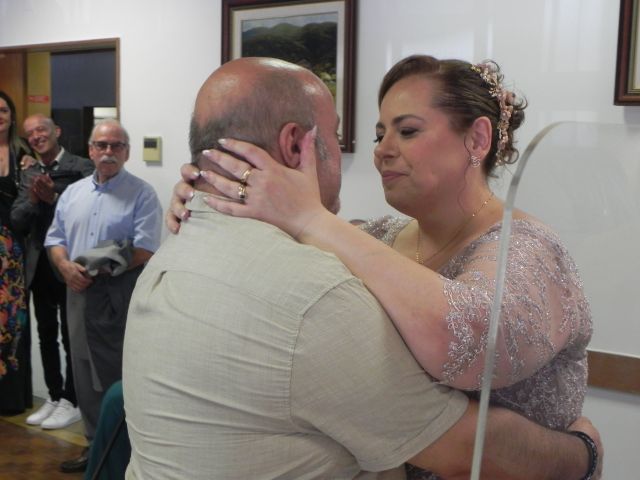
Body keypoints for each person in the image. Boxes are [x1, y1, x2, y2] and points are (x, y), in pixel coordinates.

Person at [126, 57, 602, 480]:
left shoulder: (528, 249)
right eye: (379, 134)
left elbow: (470, 342)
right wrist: (216, 194)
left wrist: (309, 217)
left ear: (477, 138)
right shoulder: (375, 234)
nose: (381, 150)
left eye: (407, 131)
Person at [45, 119, 162, 474]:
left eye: (116, 145)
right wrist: (65, 267)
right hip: (77, 292)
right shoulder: (73, 193)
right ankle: (94, 445)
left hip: (118, 294)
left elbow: (145, 248)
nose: (108, 152)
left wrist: (98, 269)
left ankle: (123, 451)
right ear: (91, 150)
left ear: (126, 152)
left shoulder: (142, 193)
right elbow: (55, 238)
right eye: (102, 145)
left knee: (115, 371)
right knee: (81, 367)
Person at [11, 113, 94, 430]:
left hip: (70, 264)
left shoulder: (82, 166)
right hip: (39, 267)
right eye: (30, 133)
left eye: (41, 130)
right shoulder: (28, 171)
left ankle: (73, 400)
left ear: (56, 131)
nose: (36, 137)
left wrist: (55, 197)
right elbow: (18, 219)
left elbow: (84, 209)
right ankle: (55, 395)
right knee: (45, 335)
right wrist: (34, 197)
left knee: (71, 336)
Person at [0, 90, 35, 415]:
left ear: (11, 115)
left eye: (4, 110)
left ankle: (12, 398)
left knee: (12, 321)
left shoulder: (23, 152)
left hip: (13, 250)